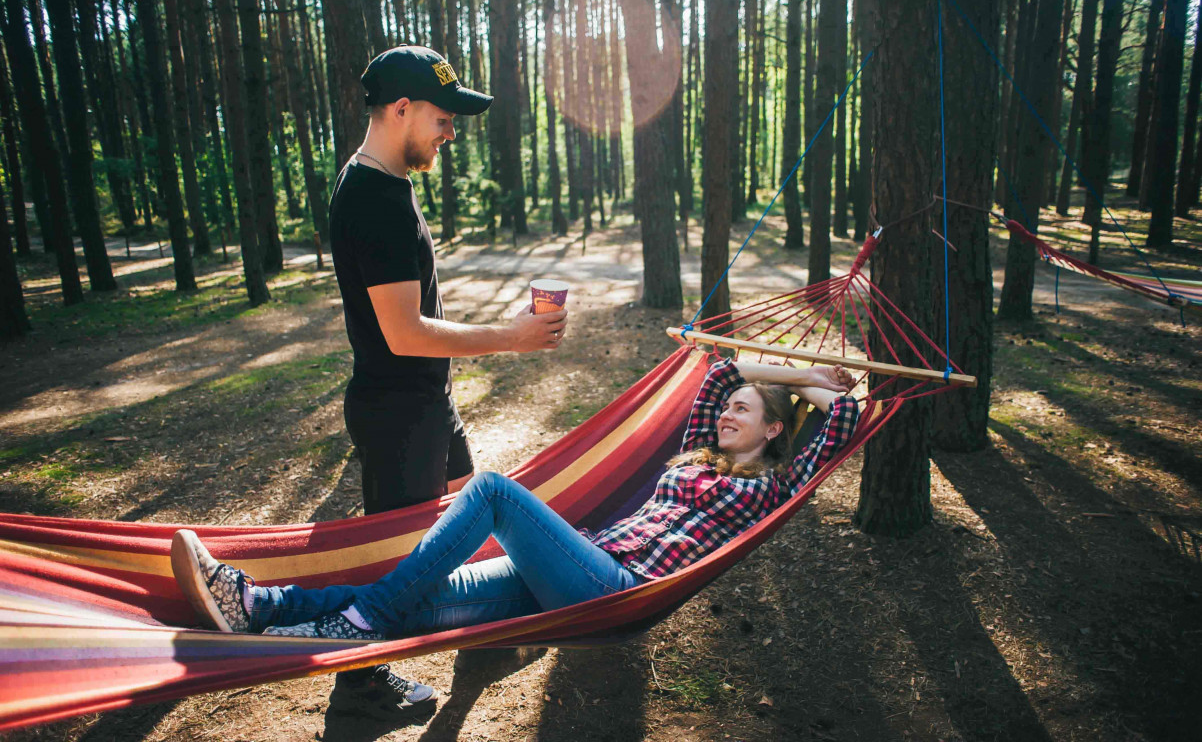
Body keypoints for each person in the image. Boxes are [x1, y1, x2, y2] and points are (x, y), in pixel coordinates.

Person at [172, 358, 860, 645]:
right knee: (421, 597)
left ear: (774, 430)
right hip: (579, 570)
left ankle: (358, 619)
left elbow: (845, 421)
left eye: (745, 413)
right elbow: (718, 372)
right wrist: (790, 372)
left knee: (495, 492)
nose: (726, 415)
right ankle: (259, 604)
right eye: (729, 411)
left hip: (621, 588)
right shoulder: (695, 454)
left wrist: (806, 386)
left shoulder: (770, 487)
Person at [323, 46, 567, 712]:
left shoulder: (380, 182)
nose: (451, 132)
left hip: (426, 403)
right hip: (400, 413)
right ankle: (361, 681)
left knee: (467, 516)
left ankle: (481, 624)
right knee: (395, 561)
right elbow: (405, 332)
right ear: (401, 109)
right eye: (442, 117)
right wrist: (511, 340)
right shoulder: (377, 201)